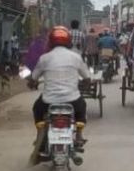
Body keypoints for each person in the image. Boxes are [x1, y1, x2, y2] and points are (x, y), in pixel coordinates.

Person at [29, 26, 91, 163]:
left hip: (48, 101)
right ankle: (79, 134)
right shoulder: (76, 57)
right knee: (82, 108)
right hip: (73, 100)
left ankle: (40, 134)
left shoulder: (44, 58)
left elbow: (33, 78)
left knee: (36, 109)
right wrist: (85, 84)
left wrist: (32, 84)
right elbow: (87, 78)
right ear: (68, 41)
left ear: (50, 41)